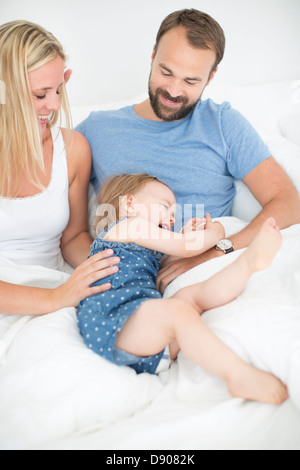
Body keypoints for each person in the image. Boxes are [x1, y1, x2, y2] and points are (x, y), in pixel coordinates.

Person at [76, 9, 300, 292]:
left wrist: (211, 255)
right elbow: (68, 230)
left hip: (207, 271)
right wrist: (108, 269)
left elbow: (288, 204)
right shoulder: (97, 129)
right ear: (153, 55)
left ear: (211, 76)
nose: (173, 90)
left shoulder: (222, 123)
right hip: (123, 279)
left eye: (190, 81)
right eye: (165, 72)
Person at [78, 173, 288, 405]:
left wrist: (189, 236)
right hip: (114, 323)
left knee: (192, 297)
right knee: (178, 310)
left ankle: (249, 263)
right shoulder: (128, 227)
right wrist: (216, 233)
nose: (170, 219)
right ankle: (237, 374)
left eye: (173, 215)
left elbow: (178, 251)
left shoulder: (144, 247)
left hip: (146, 336)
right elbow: (187, 248)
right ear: (129, 204)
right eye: (164, 207)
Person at [0, 20, 120, 316]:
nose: (54, 105)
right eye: (40, 94)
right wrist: (55, 298)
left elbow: (73, 237)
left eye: (59, 89)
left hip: (55, 289)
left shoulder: (73, 148)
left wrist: (110, 267)